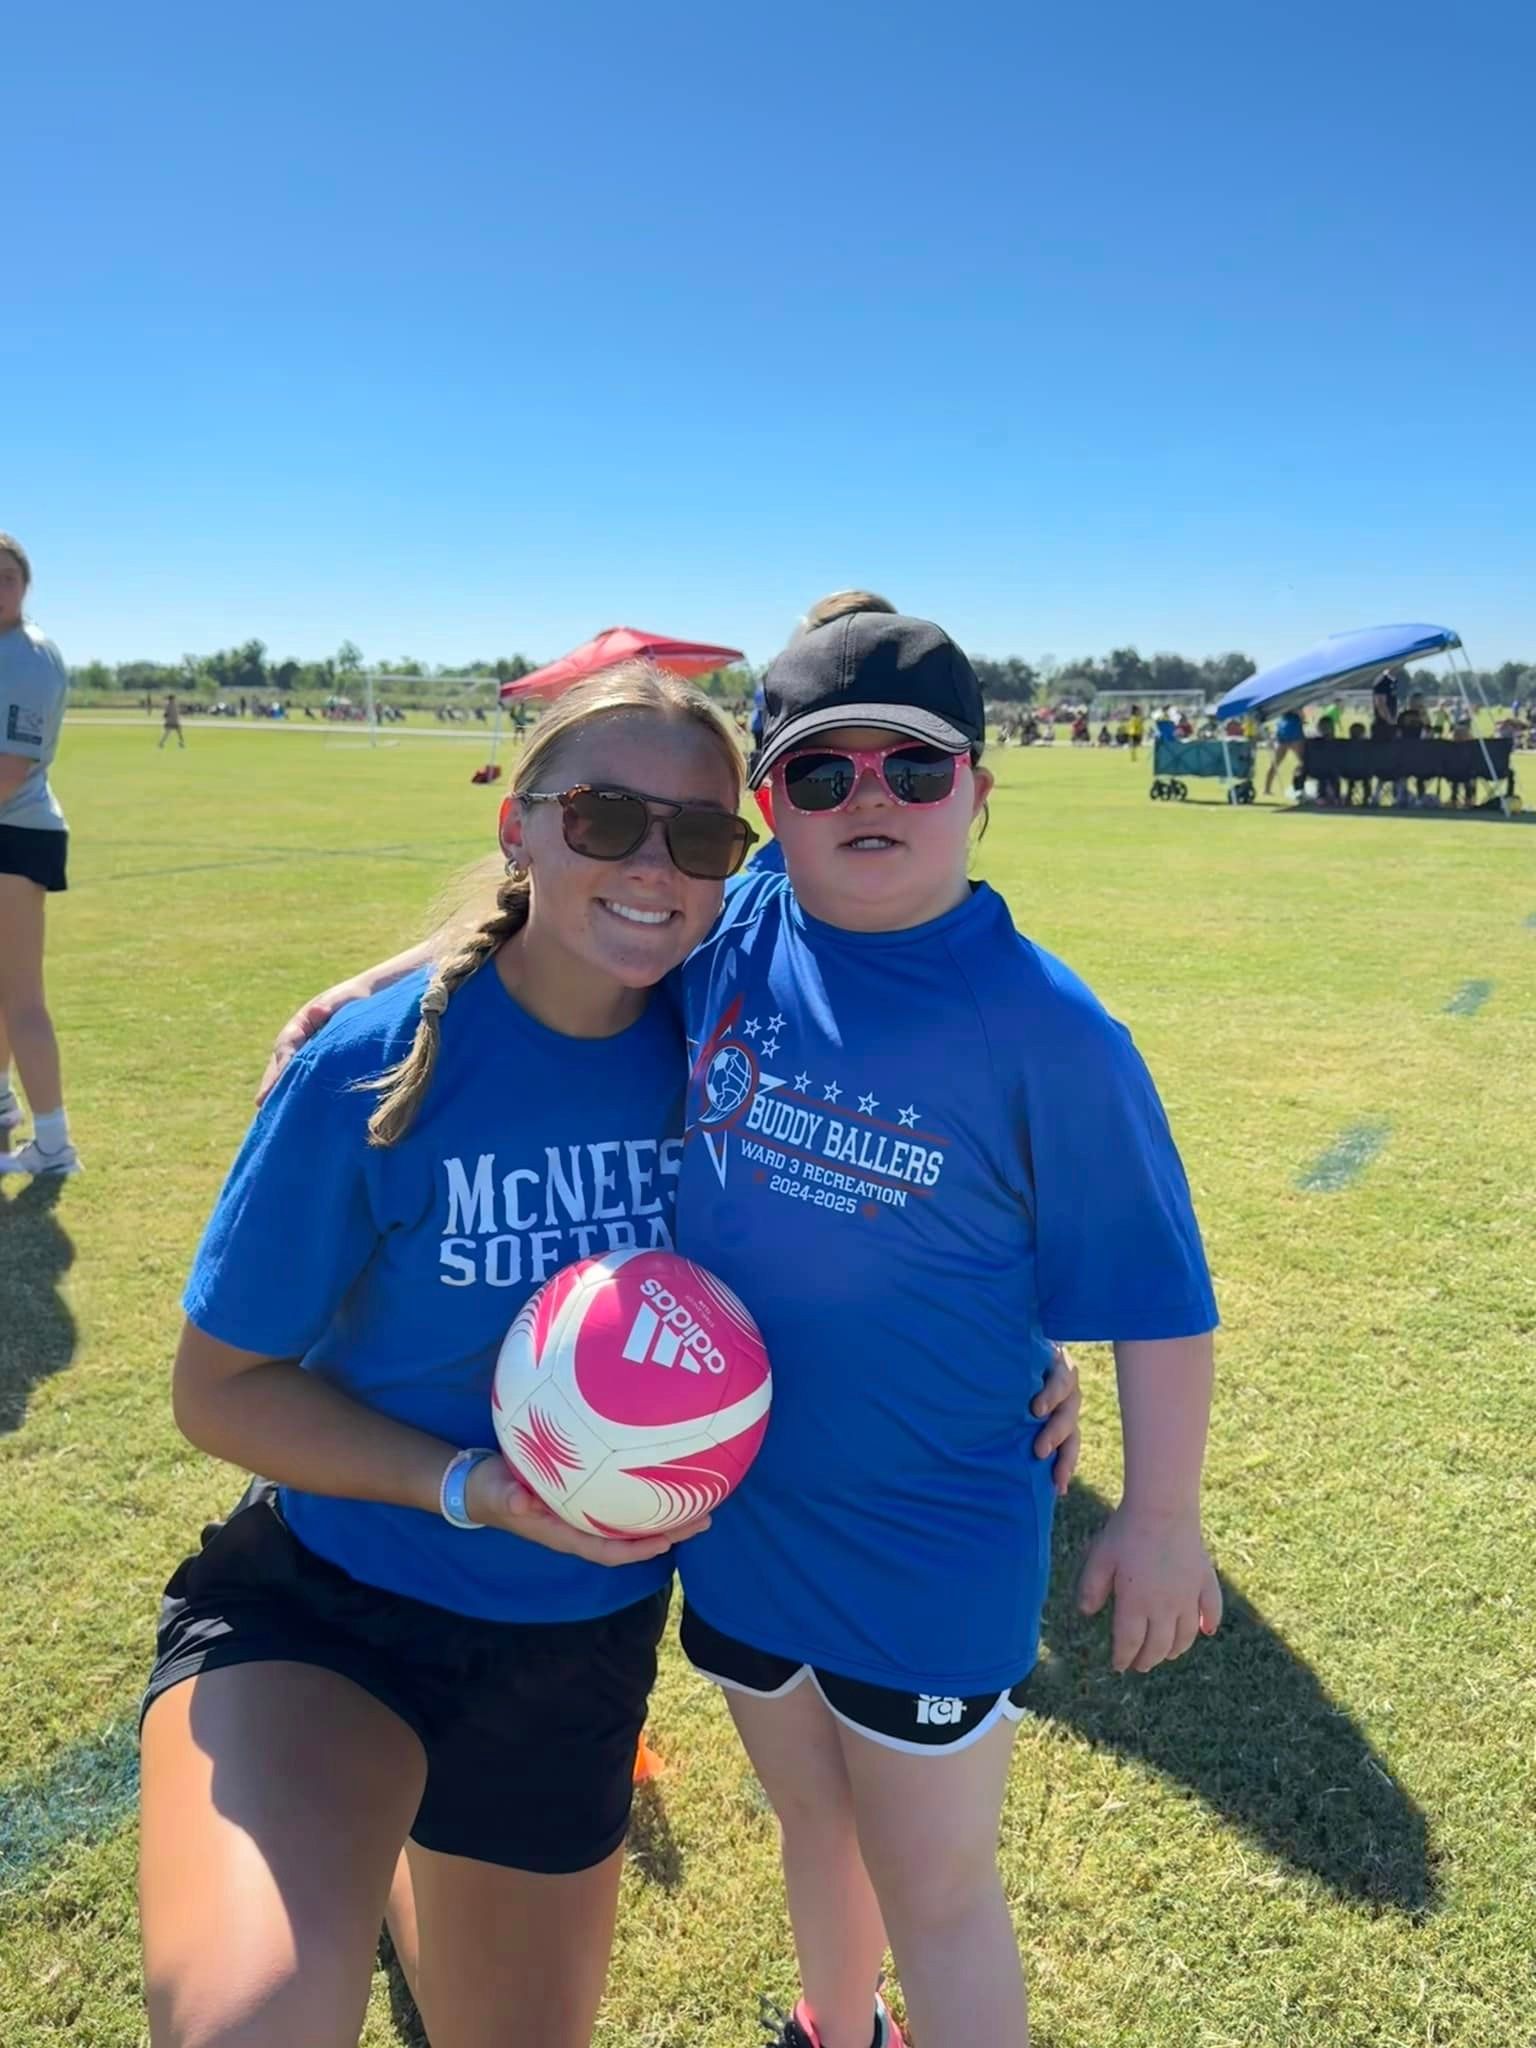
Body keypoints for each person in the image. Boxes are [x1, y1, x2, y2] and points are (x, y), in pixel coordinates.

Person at [265, 609, 1212, 2048]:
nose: (871, 800)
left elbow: (1160, 1291)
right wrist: (395, 975)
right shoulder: (741, 919)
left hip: (928, 1537)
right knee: (813, 1825)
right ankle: (838, 2026)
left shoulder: (1048, 1031)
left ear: (982, 788)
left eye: (916, 768)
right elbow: (554, 911)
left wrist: (1162, 1514)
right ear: (771, 805)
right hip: (736, 1516)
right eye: (825, 777)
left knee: (940, 1887)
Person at [140, 667, 765, 2048]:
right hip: (331, 1604)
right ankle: (351, 1850)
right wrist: (472, 1485)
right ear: (523, 829)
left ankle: (399, 1862)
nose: (655, 866)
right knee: (251, 2026)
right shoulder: (373, 1068)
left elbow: (900, 1160)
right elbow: (219, 1391)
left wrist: (1019, 1360)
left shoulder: (732, 1046)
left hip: (571, 1647)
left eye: (703, 836)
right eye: (606, 819)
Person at [0, 534, 81, 1180]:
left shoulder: (24, 658)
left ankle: (53, 1146)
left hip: (15, 832)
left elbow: (7, 771)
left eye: (6, 577)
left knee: (22, 995)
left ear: (25, 585)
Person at [1263, 704, 1307, 797]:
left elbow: (1302, 717)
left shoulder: (1287, 706)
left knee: (1304, 763)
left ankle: (1267, 789)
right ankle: (1267, 789)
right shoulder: (1292, 704)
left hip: (1287, 733)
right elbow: (1302, 718)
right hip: (1292, 734)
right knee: (1304, 763)